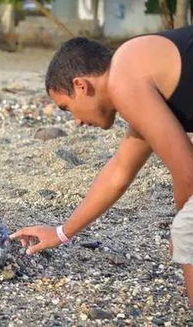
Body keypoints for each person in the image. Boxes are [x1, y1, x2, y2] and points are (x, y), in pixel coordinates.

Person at [10, 26, 193, 306]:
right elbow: (119, 171)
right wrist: (62, 232)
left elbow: (187, 172)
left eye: (67, 107)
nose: (77, 122)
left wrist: (183, 227)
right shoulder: (134, 72)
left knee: (187, 231)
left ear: (81, 86)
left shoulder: (124, 80)